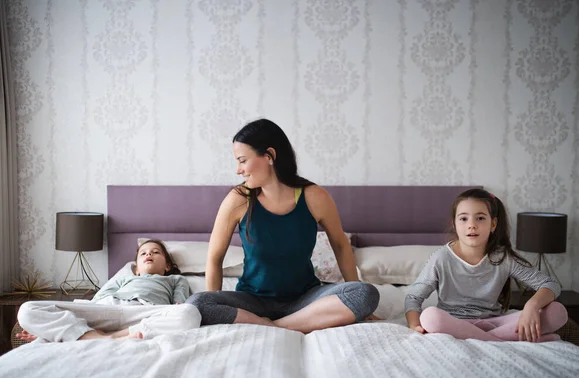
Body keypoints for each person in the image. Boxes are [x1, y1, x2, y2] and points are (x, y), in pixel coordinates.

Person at [186, 118, 380, 333]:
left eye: (242, 160)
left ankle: (273, 327)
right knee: (197, 304)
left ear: (269, 156)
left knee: (365, 293)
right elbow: (214, 258)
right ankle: (279, 324)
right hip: (252, 302)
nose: (238, 170)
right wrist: (216, 305)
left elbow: (341, 246)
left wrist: (351, 290)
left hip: (305, 300)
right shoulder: (238, 199)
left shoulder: (314, 196)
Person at [405, 188, 568, 342]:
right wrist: (414, 325)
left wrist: (531, 306)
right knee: (430, 317)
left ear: (493, 224)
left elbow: (550, 284)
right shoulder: (441, 258)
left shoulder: (503, 258)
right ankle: (500, 340)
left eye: (480, 218)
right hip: (452, 323)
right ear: (454, 224)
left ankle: (487, 337)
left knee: (557, 311)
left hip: (494, 322)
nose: (472, 225)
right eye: (463, 218)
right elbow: (413, 296)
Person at [17, 239, 201, 342]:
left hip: (145, 312)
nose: (149, 254)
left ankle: (108, 337)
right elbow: (98, 299)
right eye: (143, 253)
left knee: (190, 313)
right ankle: (88, 334)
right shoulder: (124, 278)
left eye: (155, 252)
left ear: (168, 266)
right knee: (28, 309)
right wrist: (55, 327)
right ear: (136, 267)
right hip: (108, 307)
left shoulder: (176, 279)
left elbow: (180, 305)